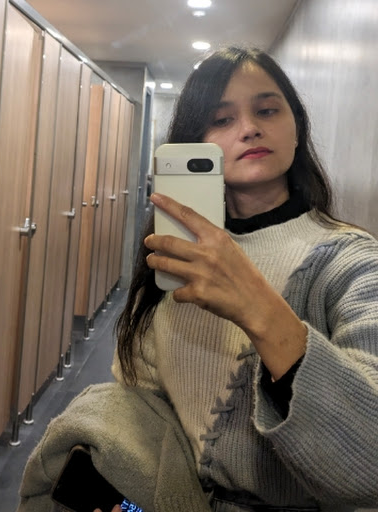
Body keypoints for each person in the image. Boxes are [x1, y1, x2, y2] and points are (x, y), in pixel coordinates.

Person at [105, 46, 378, 511]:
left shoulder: (351, 260)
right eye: (222, 119)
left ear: (297, 127)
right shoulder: (175, 255)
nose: (249, 128)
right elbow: (137, 406)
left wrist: (256, 305)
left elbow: (369, 464)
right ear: (196, 141)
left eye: (267, 110)